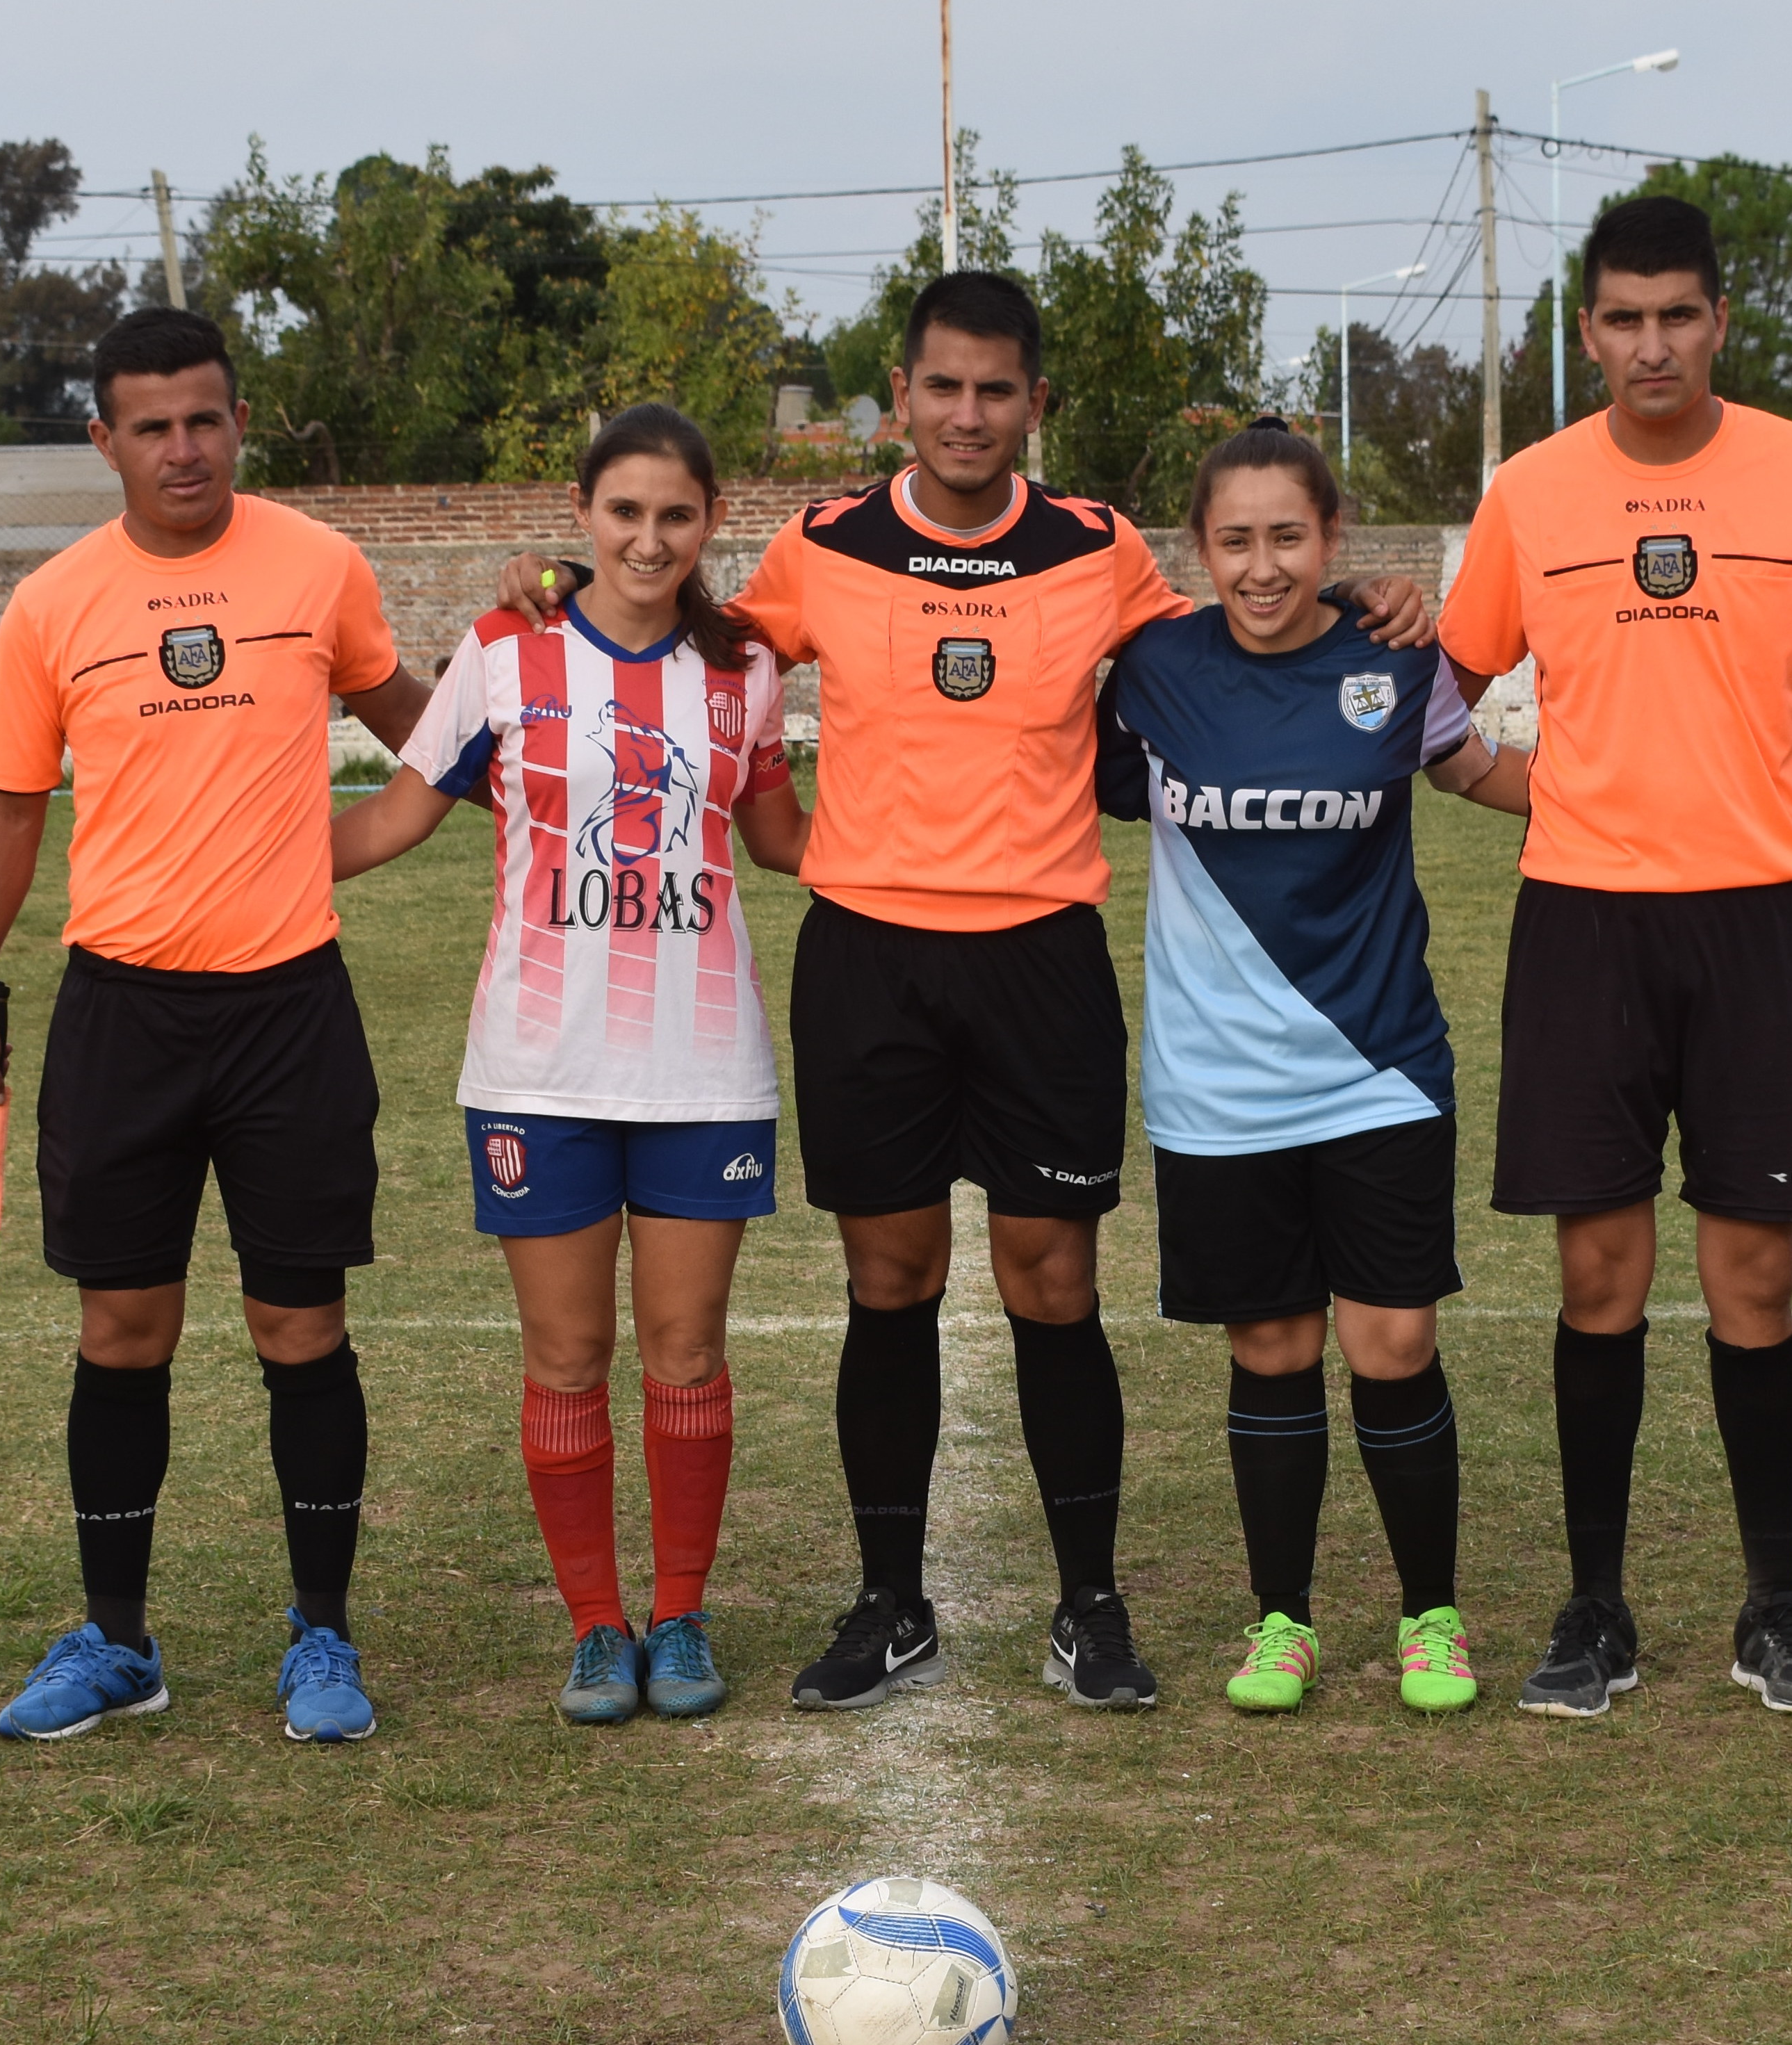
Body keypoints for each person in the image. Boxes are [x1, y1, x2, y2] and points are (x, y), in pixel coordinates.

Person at [499, 271, 1436, 1713]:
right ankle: (888, 1599)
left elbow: (1237, 626)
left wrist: (1371, 600)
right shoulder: (823, 544)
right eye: (941, 387)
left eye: (996, 390)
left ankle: (1089, 1603)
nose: (966, 414)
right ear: (900, 394)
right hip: (870, 960)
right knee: (891, 1278)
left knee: (1050, 1278)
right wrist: (560, 589)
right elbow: (701, 637)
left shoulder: (1098, 549)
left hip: (1038, 961)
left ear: (1034, 404)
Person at [1437, 194, 1792, 1722]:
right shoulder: (1528, 494)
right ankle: (1593, 1608)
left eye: (1676, 314)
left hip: (1760, 922)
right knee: (1596, 1272)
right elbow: (1438, 700)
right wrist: (1526, 786)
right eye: (1620, 318)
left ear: (1718, 321)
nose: (1649, 343)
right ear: (1583, 332)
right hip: (1583, 922)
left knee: (1753, 1275)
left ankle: (1772, 1602)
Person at [0, 306, 432, 1747]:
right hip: (122, 1013)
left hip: (288, 1007)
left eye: (204, 418)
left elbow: (429, 736)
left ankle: (322, 1637)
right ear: (103, 440)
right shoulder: (51, 605)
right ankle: (115, 1639)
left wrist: (323, 848)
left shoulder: (317, 567)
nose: (181, 447)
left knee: (300, 1322)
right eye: (149, 425)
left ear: (238, 424)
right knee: (121, 1324)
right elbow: (9, 807)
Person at [334, 405, 808, 1725]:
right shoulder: (503, 649)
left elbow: (781, 841)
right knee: (564, 1355)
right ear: (584, 515)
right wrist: (244, 861)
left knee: (686, 1349)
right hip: (537, 1069)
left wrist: (949, 865)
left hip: (703, 1068)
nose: (648, 540)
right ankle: (598, 1629)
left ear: (712, 523)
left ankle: (681, 1614)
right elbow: (398, 814)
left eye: (676, 515)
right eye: (624, 513)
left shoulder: (749, 669)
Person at [1093, 418, 1531, 1716]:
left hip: (1381, 1067)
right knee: (1272, 1349)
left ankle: (1430, 1620)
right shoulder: (1155, 669)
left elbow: (1476, 771)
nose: (1264, 565)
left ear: (1333, 540)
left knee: (1393, 1345)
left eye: (1290, 536)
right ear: (1199, 550)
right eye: (1237, 540)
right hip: (1216, 1084)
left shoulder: (1396, 660)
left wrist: (1637, 792)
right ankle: (1281, 1621)